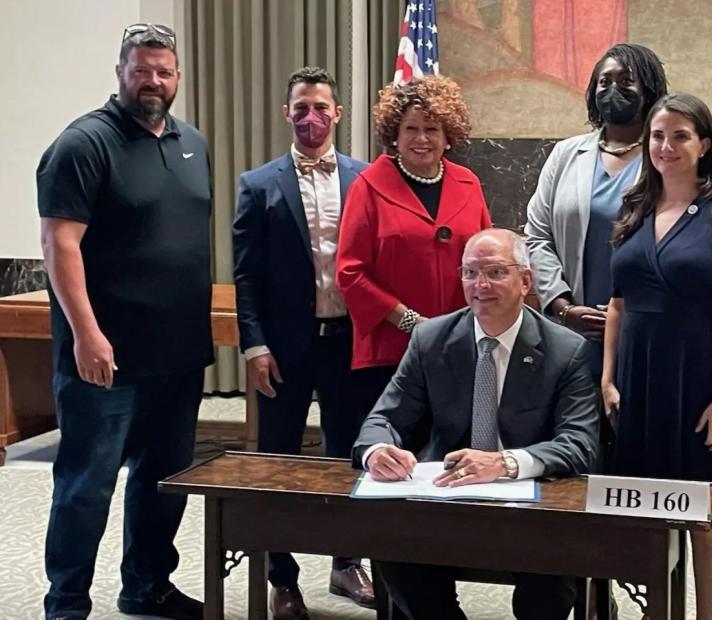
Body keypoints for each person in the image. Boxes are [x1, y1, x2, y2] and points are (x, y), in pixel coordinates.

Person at [37, 24, 209, 620]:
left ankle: (147, 586)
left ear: (178, 76)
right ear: (121, 72)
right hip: (105, 358)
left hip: (178, 356)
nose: (153, 82)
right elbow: (60, 244)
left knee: (163, 484)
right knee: (87, 486)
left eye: (164, 71)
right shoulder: (83, 144)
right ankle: (66, 603)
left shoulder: (192, 142)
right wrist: (86, 334)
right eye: (142, 70)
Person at [351, 228, 599, 620]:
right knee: (394, 551)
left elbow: (579, 442)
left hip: (531, 508)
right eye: (469, 273)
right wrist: (379, 450)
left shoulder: (567, 351)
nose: (480, 285)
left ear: (526, 281)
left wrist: (505, 463)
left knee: (550, 583)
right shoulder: (431, 338)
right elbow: (384, 418)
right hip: (445, 501)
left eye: (496, 272)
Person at [601, 93, 712, 620]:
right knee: (649, 511)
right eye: (657, 136)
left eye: (680, 136)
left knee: (705, 512)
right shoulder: (633, 207)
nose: (666, 147)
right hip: (639, 384)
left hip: (701, 386)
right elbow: (618, 307)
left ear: (704, 144)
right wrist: (607, 378)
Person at [232, 67, 373, 618]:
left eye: (320, 107)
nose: (310, 118)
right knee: (279, 463)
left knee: (351, 457)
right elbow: (245, 276)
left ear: (337, 113)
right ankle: (282, 578)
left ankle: (346, 563)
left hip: (347, 344)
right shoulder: (258, 184)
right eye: (300, 108)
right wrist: (254, 346)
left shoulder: (366, 180)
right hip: (284, 350)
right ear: (286, 114)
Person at [335, 75, 492, 418]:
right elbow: (350, 272)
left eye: (432, 129)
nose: (422, 138)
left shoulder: (469, 183)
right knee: (393, 455)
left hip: (458, 346)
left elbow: (486, 260)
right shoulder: (368, 186)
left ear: (448, 136)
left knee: (451, 451)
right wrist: (409, 322)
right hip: (390, 350)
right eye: (411, 128)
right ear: (395, 134)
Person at [525, 43, 667, 378]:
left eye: (626, 81)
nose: (613, 89)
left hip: (644, 329)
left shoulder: (664, 156)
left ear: (648, 90)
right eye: (605, 82)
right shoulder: (565, 154)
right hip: (574, 331)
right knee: (577, 426)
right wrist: (562, 307)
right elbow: (537, 235)